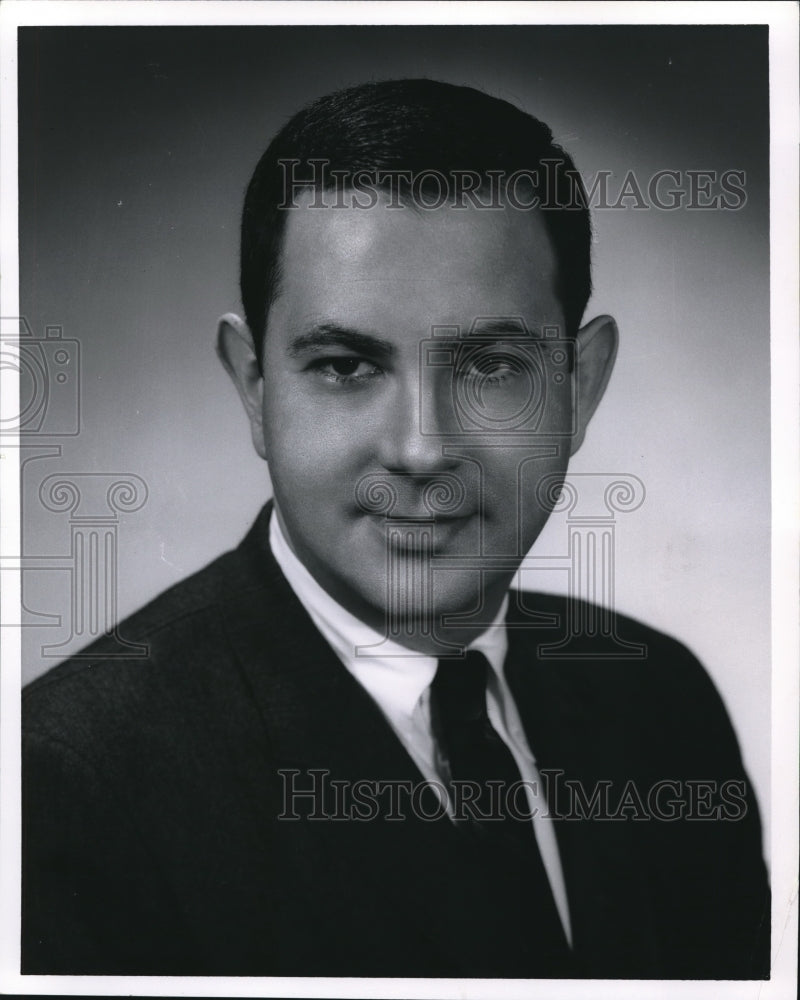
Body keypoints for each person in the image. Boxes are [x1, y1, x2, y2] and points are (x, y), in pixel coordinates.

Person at [21, 79, 770, 979]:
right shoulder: (64, 786)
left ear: (579, 388)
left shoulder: (663, 706)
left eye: (491, 365)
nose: (423, 448)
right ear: (254, 387)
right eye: (345, 365)